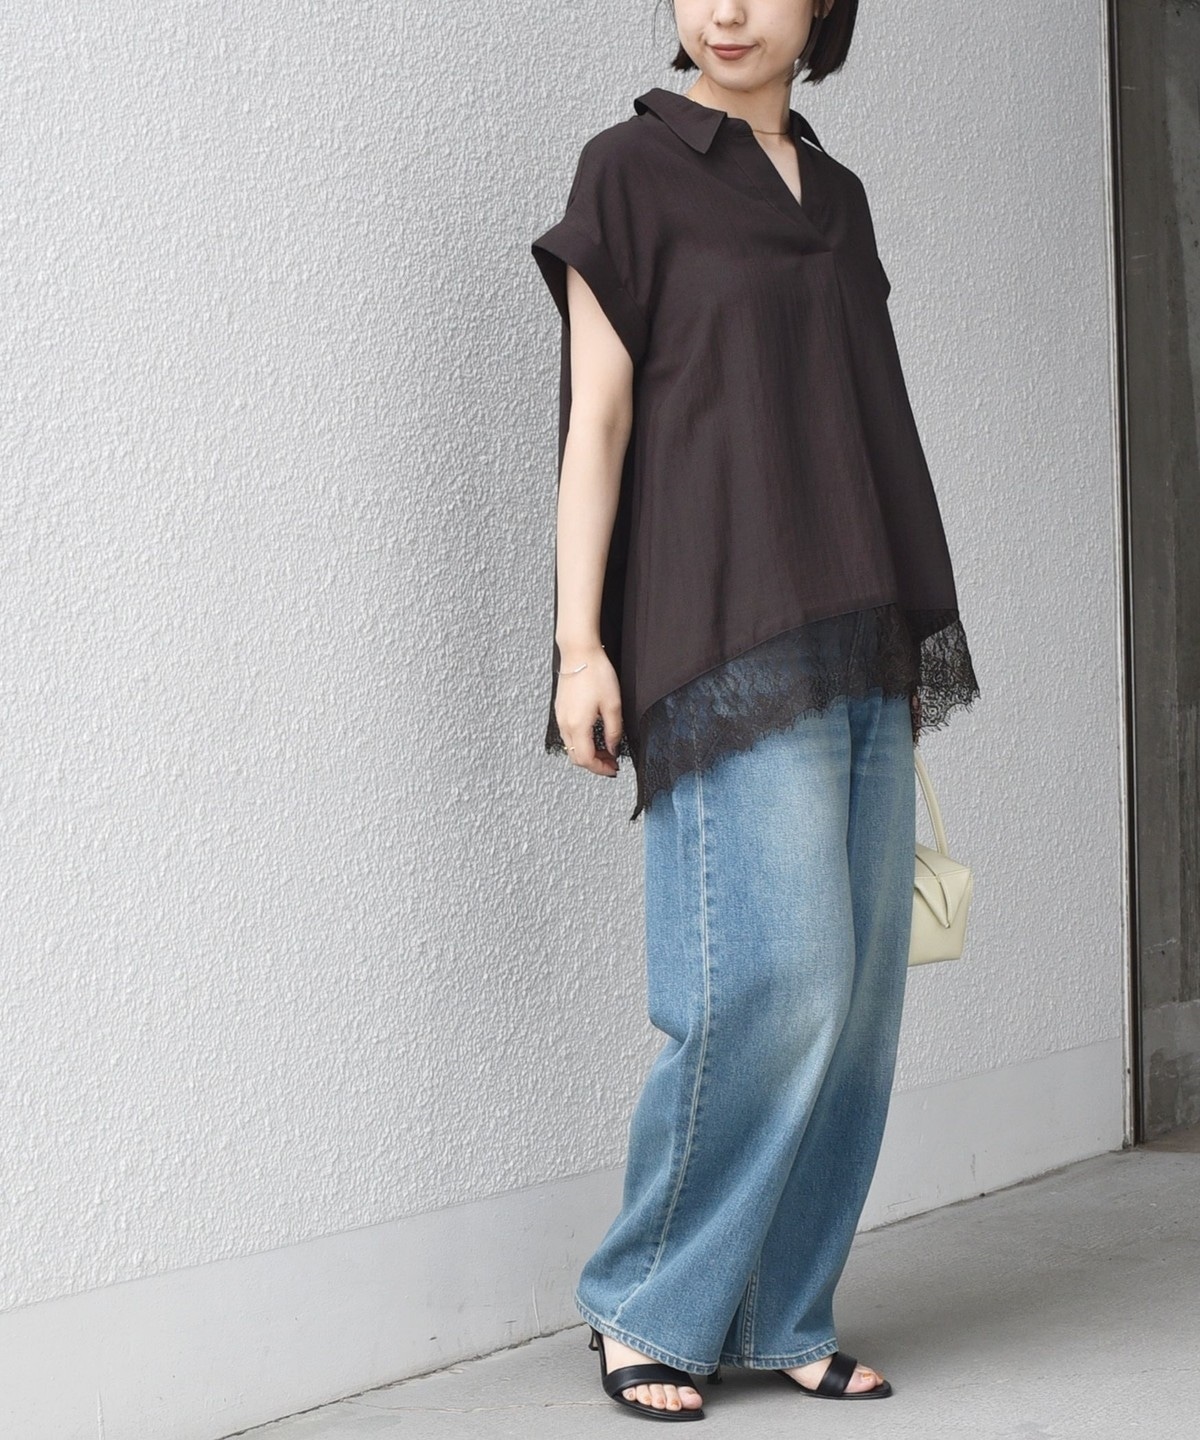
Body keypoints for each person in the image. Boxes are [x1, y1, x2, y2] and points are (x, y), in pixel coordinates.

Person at [529, 0, 980, 1422]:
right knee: (770, 985)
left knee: (858, 1004)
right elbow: (600, 421)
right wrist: (579, 645)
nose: (726, 9)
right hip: (720, 630)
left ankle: (785, 1309)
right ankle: (645, 1302)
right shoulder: (630, 170)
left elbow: (860, 423)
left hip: (856, 626)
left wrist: (900, 635)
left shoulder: (838, 196)